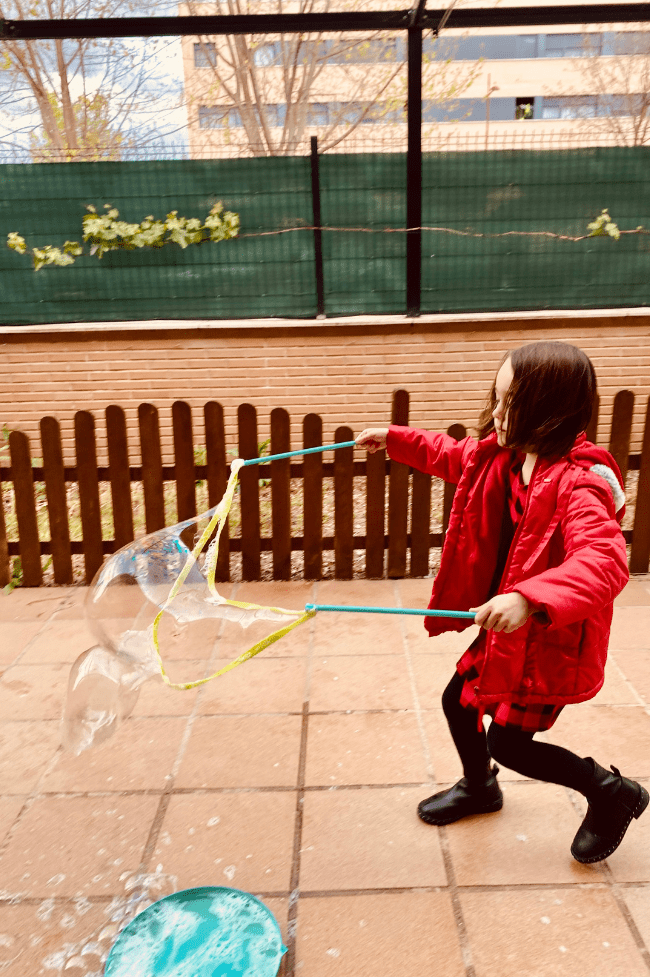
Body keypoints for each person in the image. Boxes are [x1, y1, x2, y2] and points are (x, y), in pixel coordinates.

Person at [356, 341, 648, 863]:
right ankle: (480, 788)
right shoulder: (506, 455)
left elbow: (603, 562)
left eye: (509, 403)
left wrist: (530, 598)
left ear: (550, 410)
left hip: (550, 639)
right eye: (496, 399)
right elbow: (453, 454)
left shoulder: (581, 485)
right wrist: (395, 440)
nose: (495, 415)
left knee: (510, 745)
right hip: (510, 630)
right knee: (458, 702)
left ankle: (610, 792)